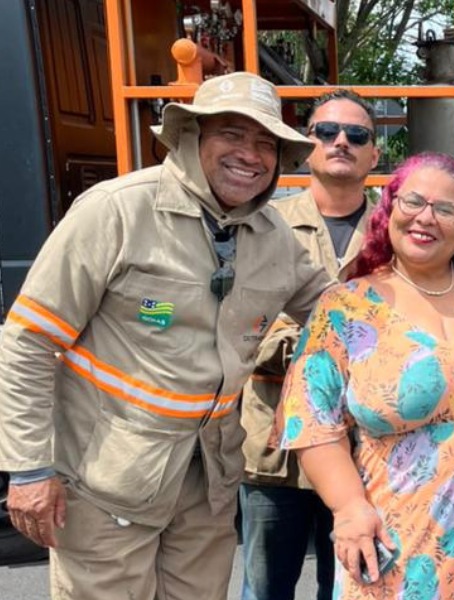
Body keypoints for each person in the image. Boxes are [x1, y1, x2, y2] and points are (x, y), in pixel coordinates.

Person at [0, 71, 332, 599]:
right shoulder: (117, 211)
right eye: (231, 133)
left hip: (207, 486)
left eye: (266, 143)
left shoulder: (274, 239)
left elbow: (343, 313)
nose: (250, 155)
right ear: (190, 135)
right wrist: (28, 470)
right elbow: (29, 340)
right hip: (105, 482)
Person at [274, 152, 454, 599]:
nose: (426, 217)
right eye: (413, 202)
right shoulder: (346, 307)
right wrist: (348, 508)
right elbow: (310, 420)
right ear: (389, 210)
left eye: (445, 209)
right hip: (404, 543)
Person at [239, 89, 380, 600]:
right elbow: (237, 326)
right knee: (265, 590)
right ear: (307, 144)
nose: (341, 142)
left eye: (356, 135)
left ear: (374, 154)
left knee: (354, 587)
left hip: (365, 449)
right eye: (327, 131)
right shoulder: (262, 225)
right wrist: (339, 341)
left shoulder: (396, 232)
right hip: (275, 449)